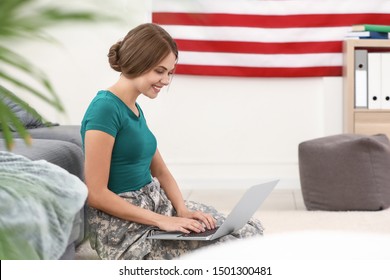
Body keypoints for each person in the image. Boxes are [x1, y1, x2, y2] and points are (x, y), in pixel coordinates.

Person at [80, 23, 263, 260]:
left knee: (247, 229)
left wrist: (182, 209)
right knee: (228, 247)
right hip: (124, 226)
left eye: (170, 72)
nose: (166, 80)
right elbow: (96, 194)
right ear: (138, 62)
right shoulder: (104, 109)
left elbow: (161, 171)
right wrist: (164, 221)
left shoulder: (133, 107)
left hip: (155, 204)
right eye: (159, 71)